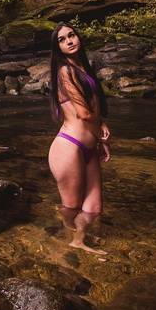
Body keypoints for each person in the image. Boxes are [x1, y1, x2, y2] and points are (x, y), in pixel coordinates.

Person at [48, 21, 111, 254]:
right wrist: (102, 139)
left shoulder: (84, 68)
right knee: (71, 206)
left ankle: (79, 239)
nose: (69, 41)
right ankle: (66, 245)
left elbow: (92, 107)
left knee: (94, 208)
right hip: (69, 147)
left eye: (72, 35)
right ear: (58, 49)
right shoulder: (65, 71)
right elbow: (83, 113)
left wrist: (101, 126)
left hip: (88, 147)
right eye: (62, 40)